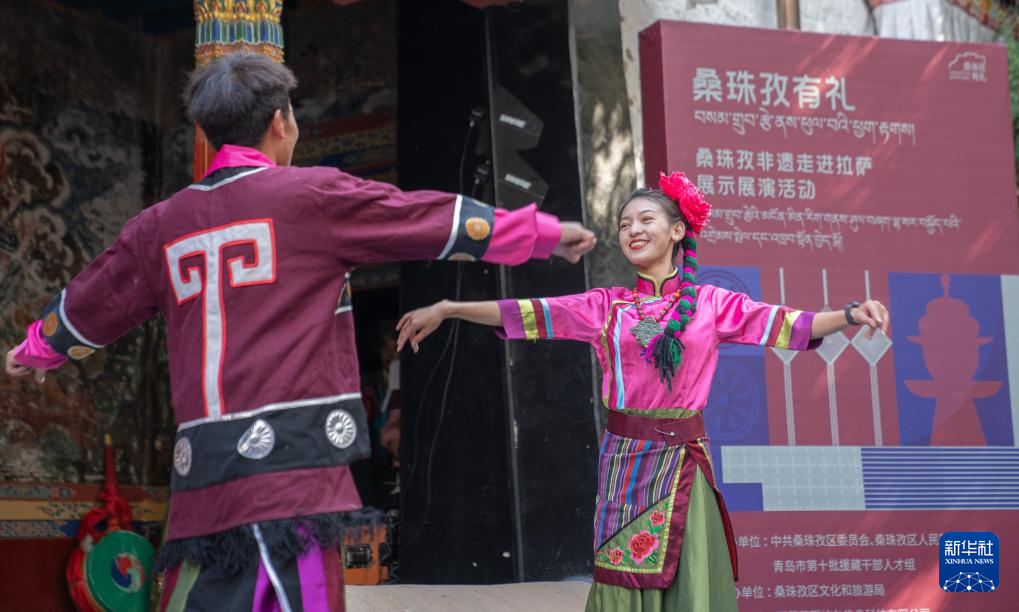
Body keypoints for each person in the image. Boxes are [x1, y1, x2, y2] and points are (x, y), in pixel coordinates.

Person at [4, 52, 596, 611]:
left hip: (202, 484)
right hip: (292, 479)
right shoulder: (312, 197)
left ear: (207, 132)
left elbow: (94, 299)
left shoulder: (158, 226)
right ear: (280, 123)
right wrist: (541, 234)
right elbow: (421, 217)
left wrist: (37, 349)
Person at [396, 171, 890, 611]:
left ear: (677, 231)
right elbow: (529, 313)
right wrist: (450, 308)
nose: (632, 229)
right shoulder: (607, 307)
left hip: (684, 464)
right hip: (625, 465)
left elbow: (787, 325)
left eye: (645, 219)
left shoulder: (712, 305)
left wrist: (849, 314)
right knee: (620, 574)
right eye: (624, 223)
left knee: (689, 580)